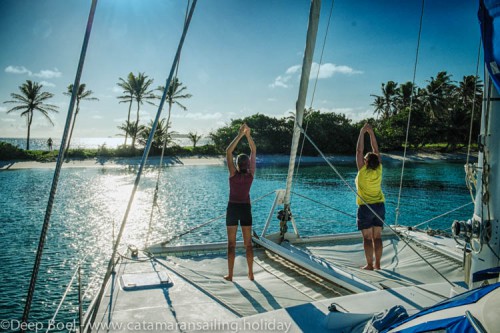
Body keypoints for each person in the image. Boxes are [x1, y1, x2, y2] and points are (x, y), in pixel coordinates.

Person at [224, 123, 256, 281]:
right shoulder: (251, 175)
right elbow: (254, 150)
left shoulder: (232, 174)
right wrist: (248, 136)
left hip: (233, 208)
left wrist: (240, 135)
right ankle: (250, 273)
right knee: (248, 244)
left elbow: (228, 151)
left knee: (231, 244)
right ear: (248, 164)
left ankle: (230, 275)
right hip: (245, 209)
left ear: (237, 164)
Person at [355, 123, 385, 270]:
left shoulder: (362, 171)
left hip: (366, 208)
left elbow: (359, 150)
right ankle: (378, 264)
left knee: (367, 238)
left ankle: (370, 265)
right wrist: (371, 133)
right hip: (379, 206)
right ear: (376, 161)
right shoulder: (379, 169)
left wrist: (362, 132)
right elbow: (375, 150)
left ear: (366, 162)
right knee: (377, 237)